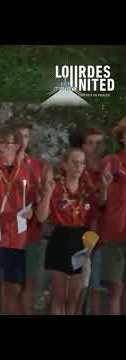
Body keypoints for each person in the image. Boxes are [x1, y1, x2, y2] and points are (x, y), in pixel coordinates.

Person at [36, 148, 105, 315]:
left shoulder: (87, 190)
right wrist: (47, 194)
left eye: (82, 163)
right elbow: (40, 217)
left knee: (73, 298)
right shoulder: (56, 187)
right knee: (59, 296)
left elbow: (94, 220)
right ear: (65, 165)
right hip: (59, 239)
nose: (79, 166)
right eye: (75, 162)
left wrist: (89, 248)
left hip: (81, 241)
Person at [0, 126, 35, 315]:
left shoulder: (25, 170)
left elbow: (32, 201)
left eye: (6, 142)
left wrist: (30, 211)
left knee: (13, 289)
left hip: (16, 238)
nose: (1, 146)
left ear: (17, 146)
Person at [14, 123, 44, 315]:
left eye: (26, 136)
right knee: (11, 285)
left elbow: (39, 196)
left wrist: (36, 205)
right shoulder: (2, 163)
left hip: (31, 233)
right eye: (18, 136)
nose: (22, 140)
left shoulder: (36, 165)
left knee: (30, 282)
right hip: (8, 233)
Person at [79, 128, 107, 315]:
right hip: (79, 233)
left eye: (99, 143)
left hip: (104, 236)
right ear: (83, 146)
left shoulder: (112, 169)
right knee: (77, 289)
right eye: (90, 143)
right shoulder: (77, 169)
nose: (95, 147)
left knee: (97, 287)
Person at [99, 120, 126, 315]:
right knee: (115, 288)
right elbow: (101, 200)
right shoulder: (111, 161)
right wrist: (106, 186)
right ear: (122, 137)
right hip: (115, 230)